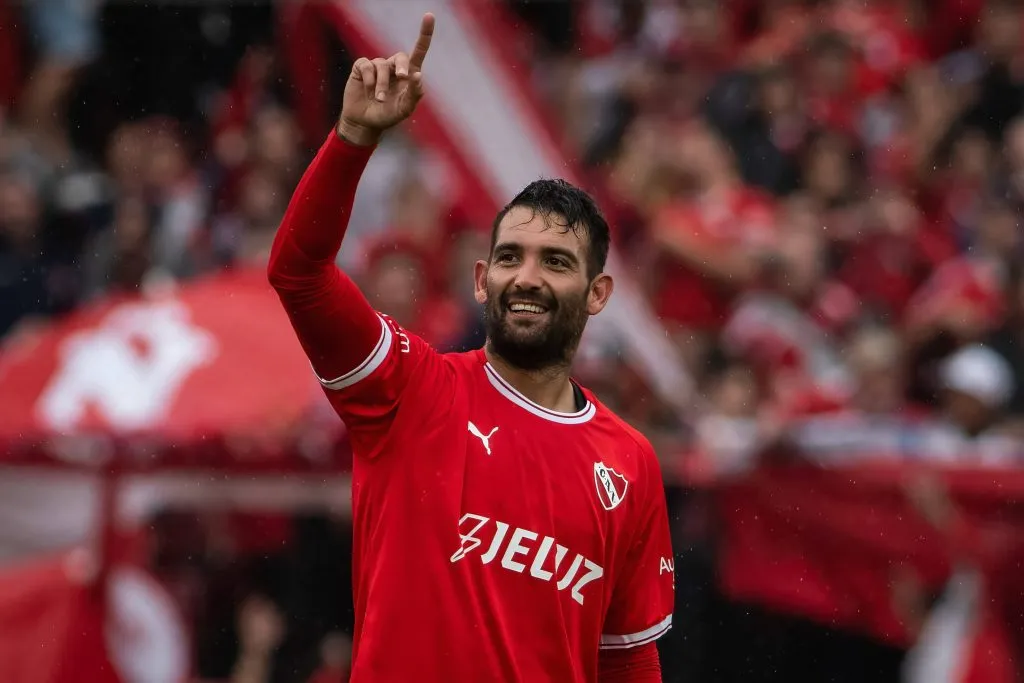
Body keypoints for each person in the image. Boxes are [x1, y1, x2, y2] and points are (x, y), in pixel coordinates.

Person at [267, 13, 674, 682]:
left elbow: (630, 662)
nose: (528, 276)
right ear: (482, 280)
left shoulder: (628, 464)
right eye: (510, 255)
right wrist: (352, 140)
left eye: (555, 261)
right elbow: (299, 274)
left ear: (598, 293)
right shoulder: (411, 387)